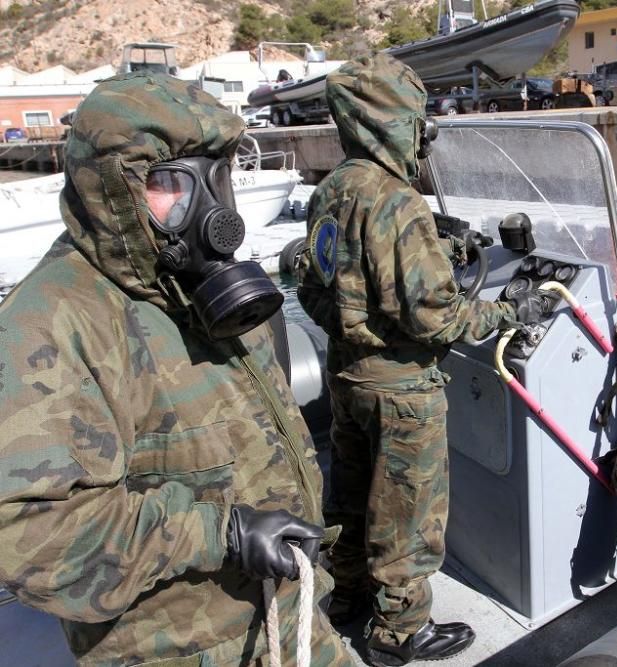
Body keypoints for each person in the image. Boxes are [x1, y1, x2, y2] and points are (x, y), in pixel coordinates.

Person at [0, 72, 353, 666]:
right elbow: (32, 538)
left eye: (219, 176)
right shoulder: (52, 322)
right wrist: (223, 533)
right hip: (180, 647)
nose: (212, 209)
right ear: (112, 191)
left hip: (284, 613)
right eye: (170, 183)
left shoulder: (193, 289)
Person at [297, 53, 534, 666]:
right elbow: (438, 318)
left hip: (348, 375)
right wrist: (509, 314)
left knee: (349, 496)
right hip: (403, 388)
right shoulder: (399, 204)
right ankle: (399, 632)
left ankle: (344, 597)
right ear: (395, 121)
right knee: (407, 513)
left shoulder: (332, 189)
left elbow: (315, 285)